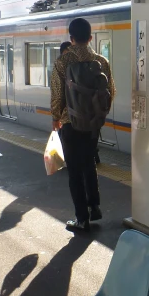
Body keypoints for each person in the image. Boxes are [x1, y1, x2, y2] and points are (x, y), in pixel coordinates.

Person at [51, 19, 115, 232]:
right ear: (90, 37)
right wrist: (99, 115)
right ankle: (94, 206)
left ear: (71, 38)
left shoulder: (63, 61)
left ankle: (81, 218)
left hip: (70, 124)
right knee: (89, 164)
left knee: (74, 172)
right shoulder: (102, 61)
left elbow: (58, 95)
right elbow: (110, 92)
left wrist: (55, 118)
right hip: (93, 125)